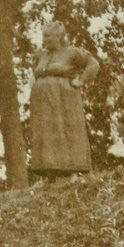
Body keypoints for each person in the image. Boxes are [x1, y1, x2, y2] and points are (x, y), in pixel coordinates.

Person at [29, 20, 100, 178]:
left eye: (48, 36)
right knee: (46, 135)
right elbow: (35, 72)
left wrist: (80, 81)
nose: (44, 39)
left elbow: (93, 64)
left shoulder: (72, 52)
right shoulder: (41, 55)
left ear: (58, 37)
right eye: (43, 35)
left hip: (64, 101)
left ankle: (72, 172)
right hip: (43, 104)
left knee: (65, 133)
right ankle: (48, 175)